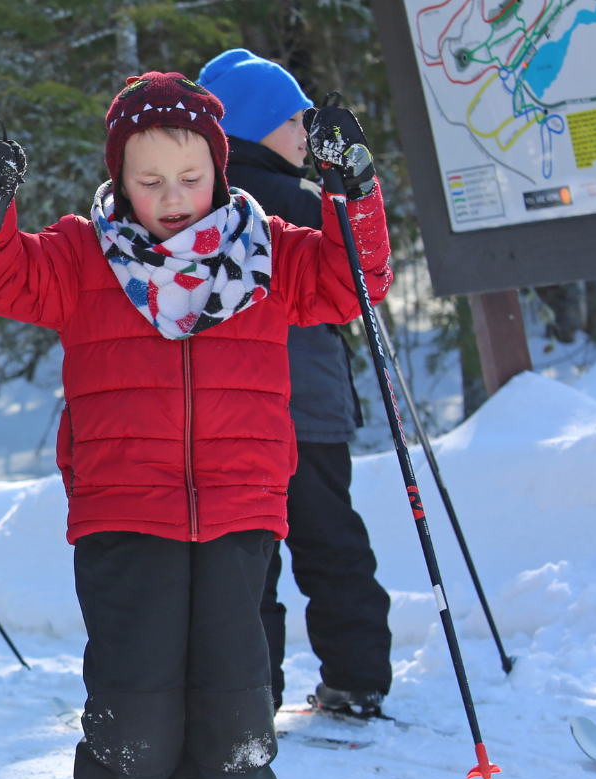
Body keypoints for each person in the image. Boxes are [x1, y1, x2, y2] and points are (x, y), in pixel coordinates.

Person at [0, 72, 392, 779]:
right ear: (120, 176)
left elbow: (353, 281)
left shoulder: (269, 249)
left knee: (236, 696)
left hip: (240, 508)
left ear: (220, 172)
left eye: (189, 179)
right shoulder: (82, 256)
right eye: (149, 182)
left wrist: (352, 193)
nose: (173, 199)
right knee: (134, 692)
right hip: (124, 510)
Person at [198, 50, 394, 717]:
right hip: (305, 402)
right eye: (295, 118)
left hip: (234, 409)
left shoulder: (205, 203)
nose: (307, 131)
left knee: (249, 553)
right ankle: (357, 673)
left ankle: (254, 688)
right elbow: (358, 275)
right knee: (330, 539)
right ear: (256, 126)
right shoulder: (299, 200)